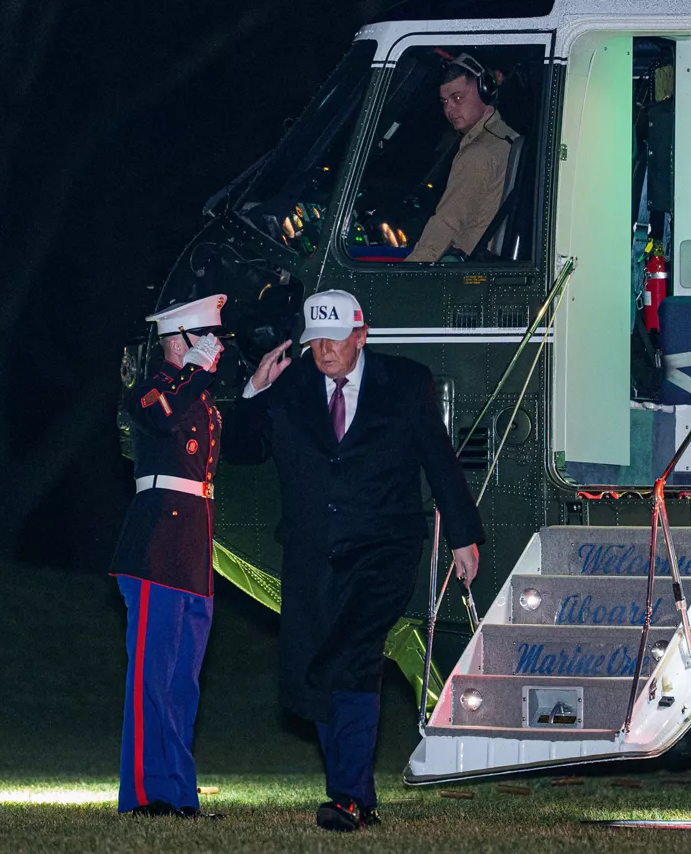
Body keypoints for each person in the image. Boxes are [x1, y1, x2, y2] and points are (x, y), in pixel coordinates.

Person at [221, 289, 484, 832]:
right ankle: (356, 797)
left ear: (361, 336)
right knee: (319, 667)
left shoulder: (406, 383)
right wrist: (252, 392)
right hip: (313, 552)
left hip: (384, 550)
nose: (325, 351)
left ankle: (345, 795)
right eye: (316, 340)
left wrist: (463, 536)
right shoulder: (290, 387)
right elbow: (242, 448)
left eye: (335, 339)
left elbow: (439, 459)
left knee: (352, 655)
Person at [109, 293, 227, 819]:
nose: (215, 348)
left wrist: (254, 388)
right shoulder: (152, 389)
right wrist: (196, 374)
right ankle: (140, 794)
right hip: (156, 545)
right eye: (206, 338)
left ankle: (179, 793)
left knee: (182, 681)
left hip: (192, 551)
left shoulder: (200, 399)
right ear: (178, 340)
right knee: (150, 678)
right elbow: (160, 418)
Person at [405, 54, 519, 262]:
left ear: (485, 91)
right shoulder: (508, 137)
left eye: (458, 98)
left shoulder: (479, 152)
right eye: (445, 102)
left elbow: (447, 223)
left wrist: (408, 272)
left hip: (468, 265)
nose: (449, 109)